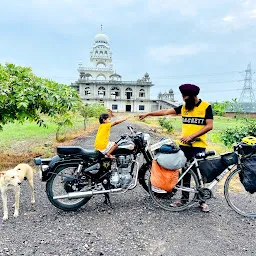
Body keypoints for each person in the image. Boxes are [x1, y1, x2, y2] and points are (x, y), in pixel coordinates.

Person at [139, 84, 213, 212]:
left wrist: (192, 136)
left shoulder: (206, 106)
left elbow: (209, 126)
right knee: (184, 173)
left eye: (185, 96)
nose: (183, 98)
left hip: (199, 146)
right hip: (184, 146)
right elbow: (166, 112)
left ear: (193, 96)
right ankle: (183, 200)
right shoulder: (184, 107)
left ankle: (202, 201)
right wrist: (149, 113)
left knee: (200, 174)